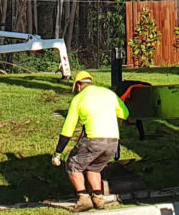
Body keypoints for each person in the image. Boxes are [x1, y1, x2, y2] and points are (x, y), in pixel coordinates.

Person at [51, 70, 128, 210]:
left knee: (73, 164)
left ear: (79, 85)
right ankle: (99, 199)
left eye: (76, 88)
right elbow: (125, 113)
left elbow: (68, 129)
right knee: (94, 167)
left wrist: (58, 153)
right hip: (113, 141)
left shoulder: (79, 98)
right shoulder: (109, 93)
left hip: (94, 139)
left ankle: (83, 198)